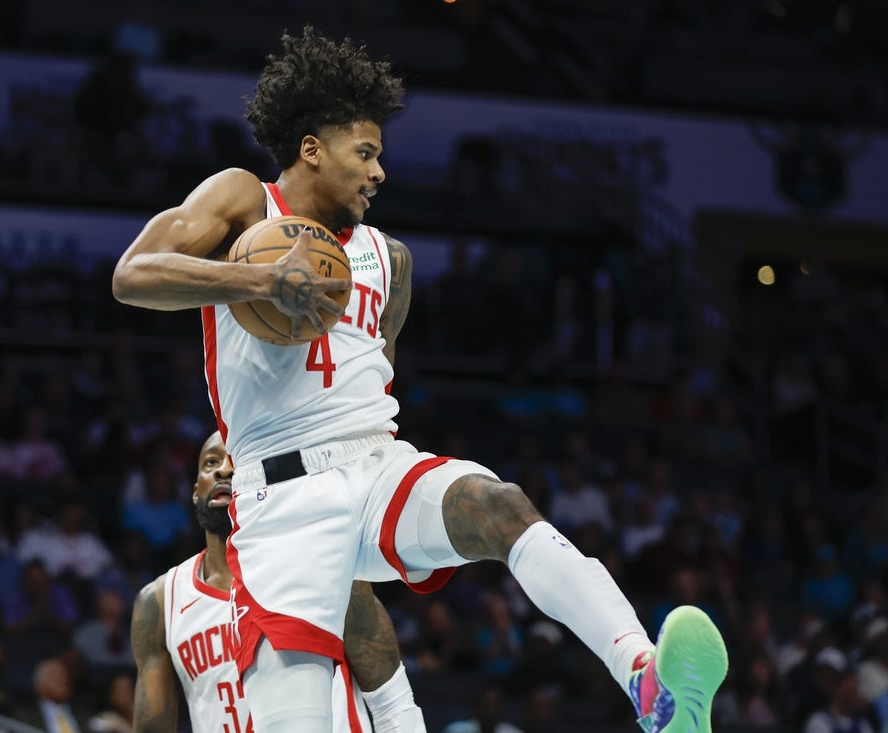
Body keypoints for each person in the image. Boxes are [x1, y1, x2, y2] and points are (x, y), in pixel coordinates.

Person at [112, 26, 728, 732]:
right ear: (311, 148)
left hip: (373, 463)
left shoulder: (390, 260)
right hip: (280, 502)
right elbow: (131, 275)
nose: (379, 173)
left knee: (500, 505)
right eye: (365, 153)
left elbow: (374, 382)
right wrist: (258, 280)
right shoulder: (245, 203)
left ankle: (651, 686)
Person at [130, 431, 425, 732]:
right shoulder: (161, 600)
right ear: (195, 490)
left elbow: (392, 700)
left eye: (238, 461)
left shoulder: (323, 561)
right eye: (211, 463)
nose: (224, 470)